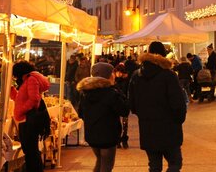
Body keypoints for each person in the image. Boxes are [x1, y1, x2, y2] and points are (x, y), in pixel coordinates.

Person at [128, 41, 187, 172]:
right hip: (169, 127)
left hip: (147, 128)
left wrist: (144, 115)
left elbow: (132, 104)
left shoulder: (136, 76)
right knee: (175, 163)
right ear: (164, 55)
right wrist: (178, 119)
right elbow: (178, 103)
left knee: (154, 166)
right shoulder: (169, 75)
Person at [78, 62, 129, 172]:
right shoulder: (111, 93)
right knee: (106, 166)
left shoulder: (85, 93)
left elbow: (80, 113)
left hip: (92, 135)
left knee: (100, 161)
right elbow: (124, 110)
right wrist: (117, 89)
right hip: (108, 135)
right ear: (109, 75)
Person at [10, 61, 50, 172]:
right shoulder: (26, 80)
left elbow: (34, 99)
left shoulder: (31, 80)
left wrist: (21, 110)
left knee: (31, 150)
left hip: (29, 120)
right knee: (29, 149)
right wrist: (12, 90)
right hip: (25, 119)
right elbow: (20, 98)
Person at [114, 63, 131, 148]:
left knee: (125, 123)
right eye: (117, 72)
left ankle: (124, 139)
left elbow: (128, 90)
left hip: (124, 103)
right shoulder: (113, 80)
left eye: (120, 72)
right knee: (117, 123)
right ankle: (117, 140)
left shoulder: (126, 80)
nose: (119, 74)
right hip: (116, 102)